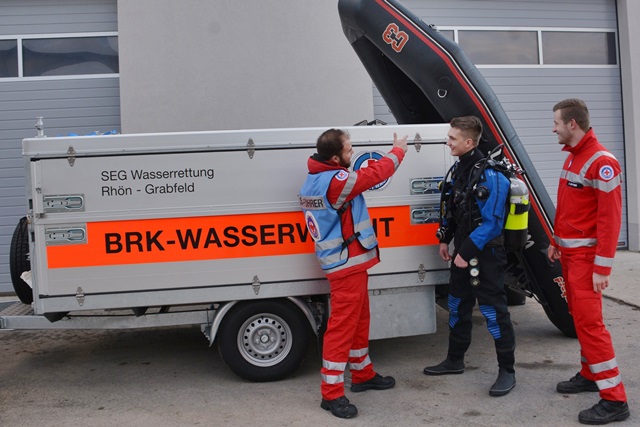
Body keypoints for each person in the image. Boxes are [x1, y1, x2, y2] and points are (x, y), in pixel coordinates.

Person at [299, 128, 408, 419]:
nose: (352, 153)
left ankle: (362, 374)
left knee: (359, 319)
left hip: (348, 262)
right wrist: (398, 150)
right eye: (349, 150)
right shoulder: (336, 181)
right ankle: (331, 393)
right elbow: (373, 175)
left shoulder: (315, 178)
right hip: (345, 265)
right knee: (342, 328)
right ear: (335, 157)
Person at [547, 98, 630, 425]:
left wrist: (602, 268)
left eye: (556, 122)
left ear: (572, 124)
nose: (552, 128)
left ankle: (615, 398)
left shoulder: (601, 162)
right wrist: (556, 242)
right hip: (570, 256)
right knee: (580, 319)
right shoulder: (574, 158)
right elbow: (571, 210)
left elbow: (611, 220)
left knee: (591, 325)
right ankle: (590, 373)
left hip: (586, 262)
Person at [423, 116, 516, 397]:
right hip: (461, 251)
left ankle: (507, 371)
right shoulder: (459, 170)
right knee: (456, 305)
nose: (447, 142)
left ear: (468, 142)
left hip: (485, 256)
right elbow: (455, 207)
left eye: (452, 138)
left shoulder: (492, 175)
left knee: (492, 311)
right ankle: (454, 360)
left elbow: (492, 223)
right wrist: (446, 240)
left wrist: (464, 253)